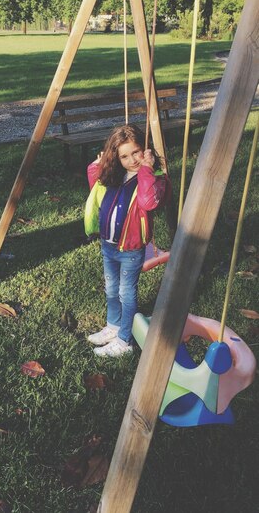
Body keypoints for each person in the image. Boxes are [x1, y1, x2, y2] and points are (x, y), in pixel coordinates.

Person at [84, 124, 171, 358]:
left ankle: (125, 340)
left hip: (131, 248)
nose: (132, 159)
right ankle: (113, 326)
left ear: (146, 150)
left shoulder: (154, 178)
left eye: (136, 152)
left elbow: (147, 201)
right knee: (111, 288)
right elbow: (97, 191)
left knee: (126, 292)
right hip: (109, 245)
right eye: (124, 156)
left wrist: (146, 168)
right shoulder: (116, 175)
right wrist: (97, 166)